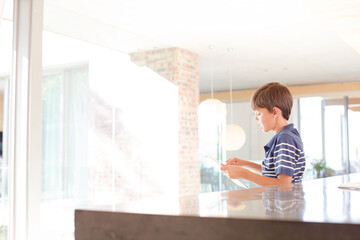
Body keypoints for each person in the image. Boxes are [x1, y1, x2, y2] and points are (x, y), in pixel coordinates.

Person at [220, 82, 305, 186]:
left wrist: (243, 173)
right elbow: (273, 173)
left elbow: (283, 184)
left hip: (283, 202)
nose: (256, 118)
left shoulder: (285, 139)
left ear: (275, 112)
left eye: (259, 113)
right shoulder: (287, 136)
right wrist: (245, 164)